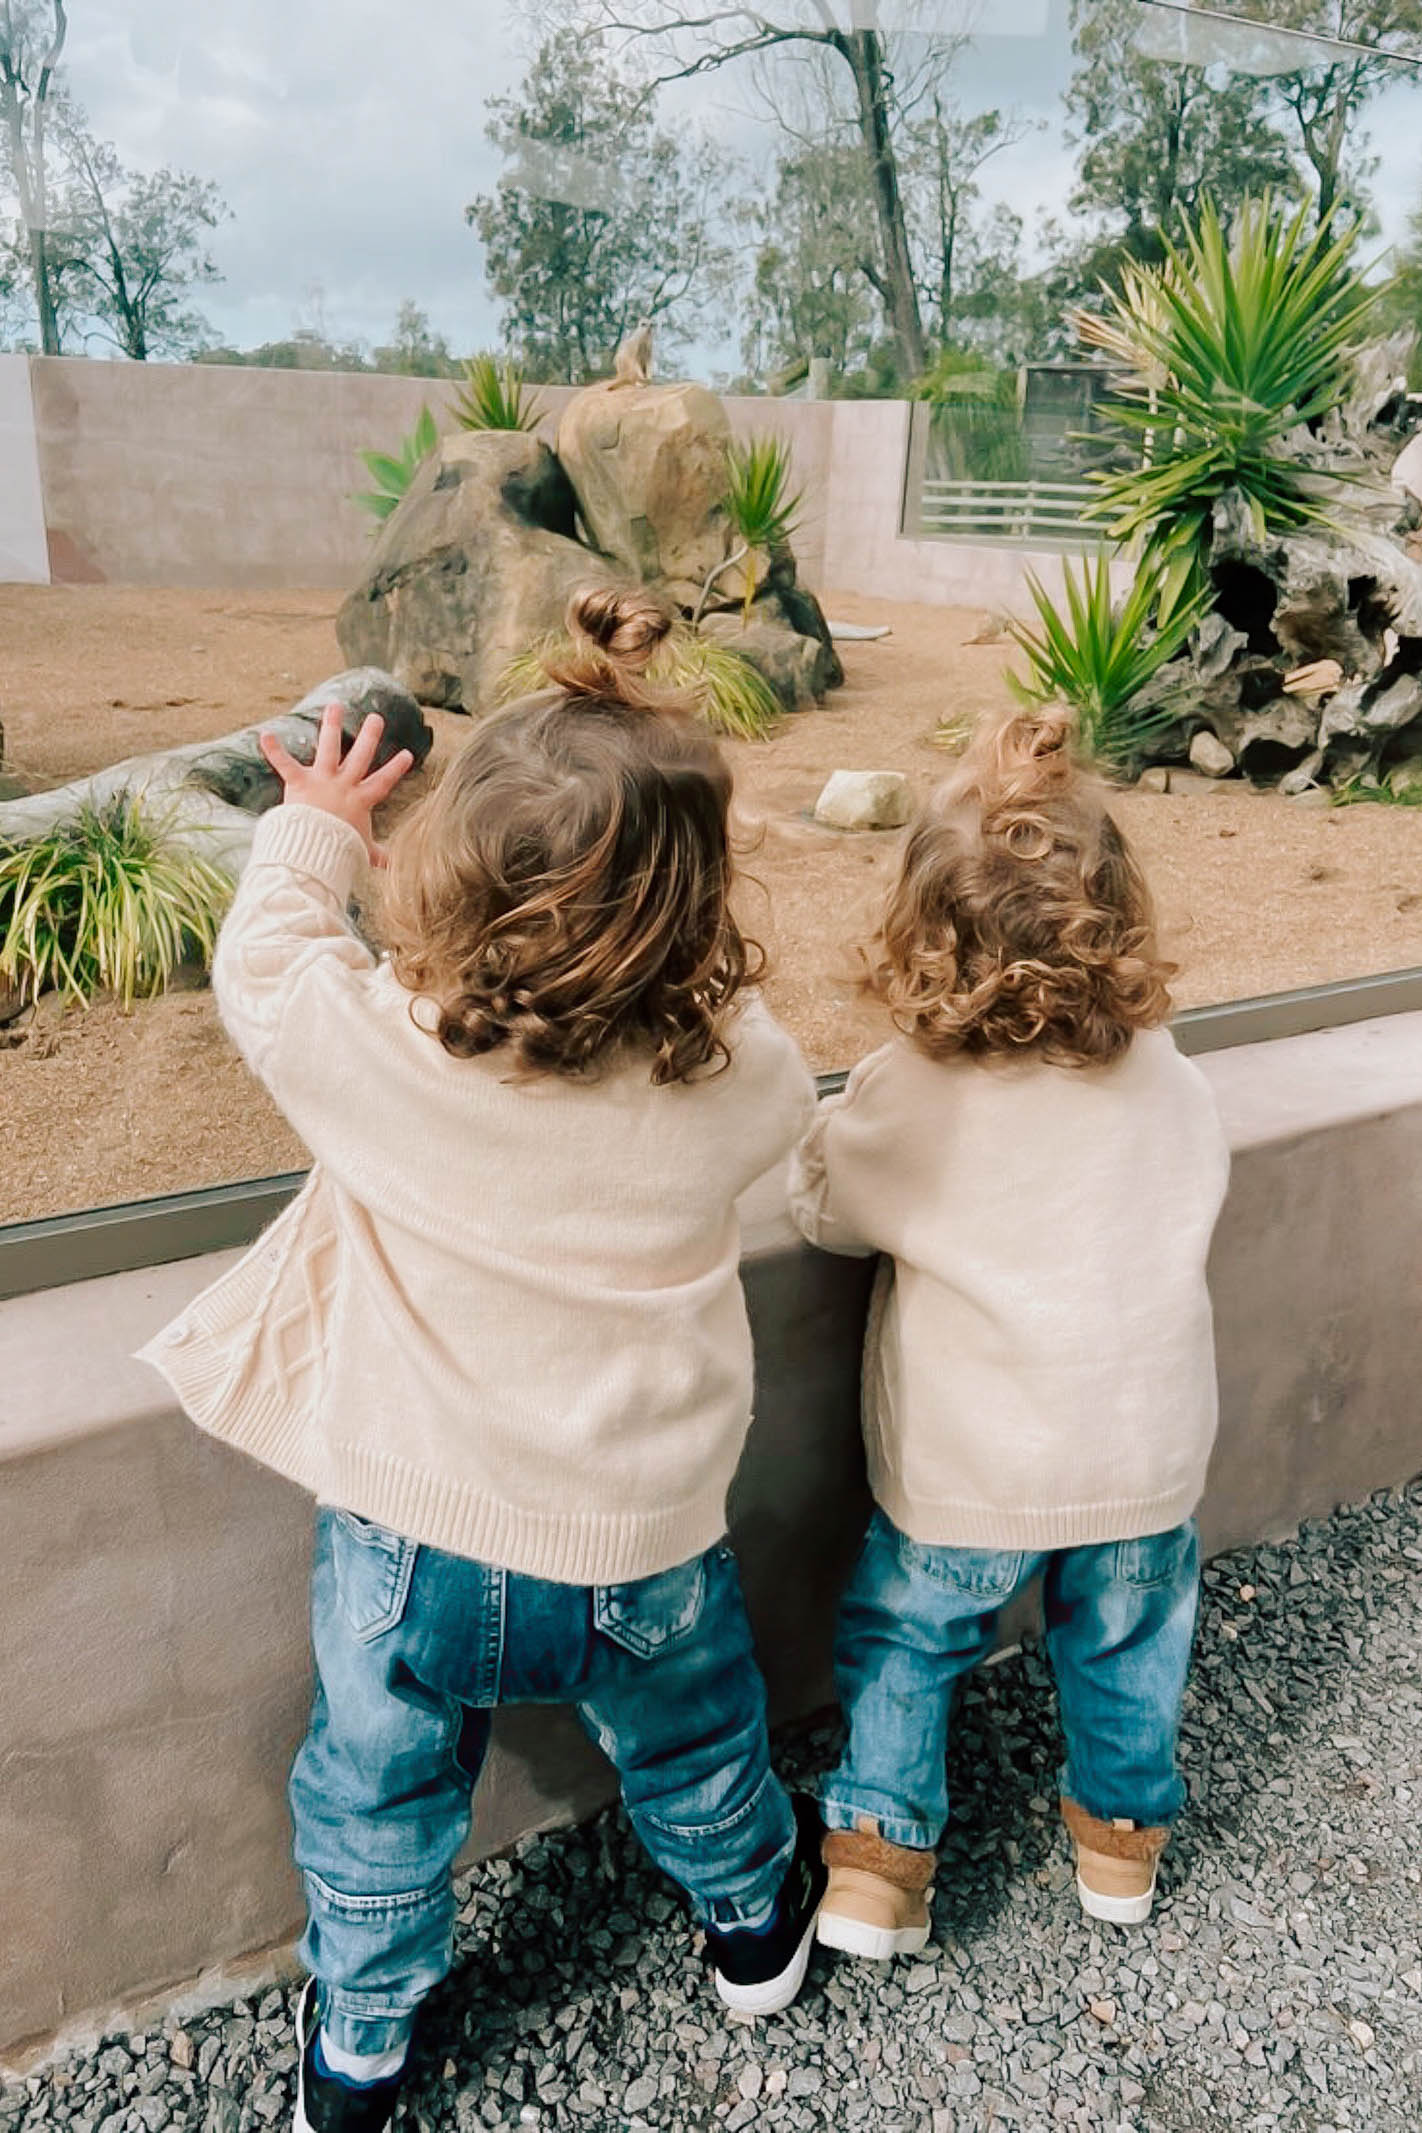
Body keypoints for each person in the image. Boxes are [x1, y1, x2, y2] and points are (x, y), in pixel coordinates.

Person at [140, 588, 825, 2133]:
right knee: (704, 1748)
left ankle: (366, 2041)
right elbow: (769, 1077)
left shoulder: (381, 1054)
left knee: (378, 1795)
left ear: (445, 881)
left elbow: (268, 964)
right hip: (642, 1541)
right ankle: (752, 1932)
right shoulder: (736, 1084)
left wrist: (319, 828)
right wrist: (681, 954)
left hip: (411, 1539)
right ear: (692, 916)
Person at [787, 703, 1230, 1960]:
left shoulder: (915, 1089)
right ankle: (1119, 1846)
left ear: (921, 931)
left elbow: (822, 1208)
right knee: (1130, 1639)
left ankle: (879, 1867)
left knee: (909, 1640)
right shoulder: (1168, 1072)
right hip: (1145, 1454)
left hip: (971, 1470)